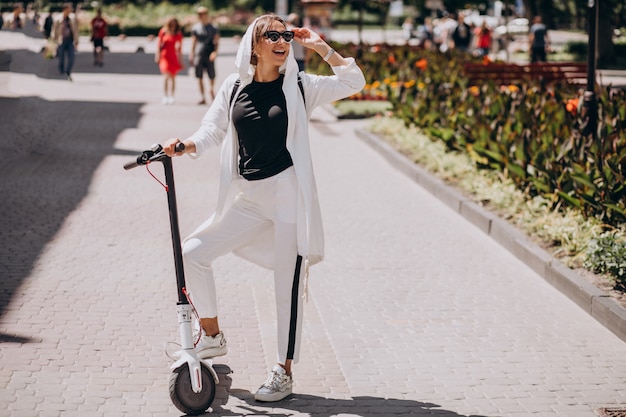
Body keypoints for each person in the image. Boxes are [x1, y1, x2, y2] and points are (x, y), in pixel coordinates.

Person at [162, 14, 365, 402]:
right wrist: (185, 145)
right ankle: (214, 335)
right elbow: (212, 130)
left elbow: (354, 82)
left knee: (285, 286)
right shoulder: (234, 86)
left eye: (286, 35)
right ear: (253, 45)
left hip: (287, 196)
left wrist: (320, 46)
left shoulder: (302, 86)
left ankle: (283, 371)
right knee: (194, 252)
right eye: (271, 35)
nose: (282, 41)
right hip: (249, 198)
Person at [189, 7, 219, 105]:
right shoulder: (196, 28)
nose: (202, 16)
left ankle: (211, 89)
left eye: (204, 14)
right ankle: (202, 97)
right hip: (199, 53)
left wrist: (215, 52)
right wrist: (191, 54)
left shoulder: (213, 27)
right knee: (199, 76)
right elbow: (193, 42)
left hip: (209, 52)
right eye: (200, 14)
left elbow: (217, 41)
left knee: (211, 75)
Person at [156, 17, 183, 104]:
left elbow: (179, 48)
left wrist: (181, 60)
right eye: (171, 23)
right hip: (165, 56)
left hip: (173, 56)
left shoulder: (178, 34)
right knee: (166, 76)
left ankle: (172, 95)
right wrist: (157, 55)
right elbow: (159, 45)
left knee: (173, 77)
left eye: (174, 23)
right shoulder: (163, 32)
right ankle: (165, 95)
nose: (173, 25)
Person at [52, 3, 78, 81]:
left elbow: (76, 30)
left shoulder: (72, 18)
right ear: (65, 9)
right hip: (61, 41)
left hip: (70, 40)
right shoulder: (58, 18)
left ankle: (68, 71)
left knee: (72, 57)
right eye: (69, 8)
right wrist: (53, 40)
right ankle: (61, 70)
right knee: (61, 57)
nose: (70, 10)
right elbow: (54, 30)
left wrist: (77, 40)